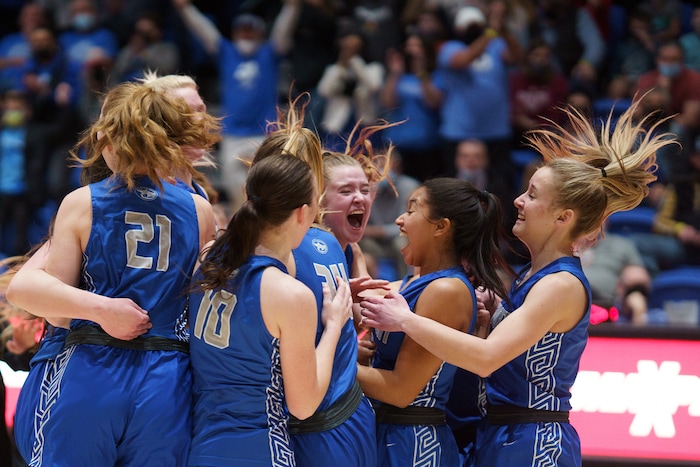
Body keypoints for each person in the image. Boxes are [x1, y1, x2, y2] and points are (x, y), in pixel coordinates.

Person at [360, 99, 672, 466]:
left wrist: (405, 320)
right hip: (500, 433)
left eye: (533, 195)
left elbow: (487, 360)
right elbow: (503, 359)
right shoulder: (529, 276)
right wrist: (486, 323)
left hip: (535, 440)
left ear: (562, 217)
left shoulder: (561, 284)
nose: (519, 201)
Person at [5, 81, 220, 466]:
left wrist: (104, 310)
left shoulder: (83, 202)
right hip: (167, 376)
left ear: (111, 138)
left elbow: (52, 311)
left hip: (93, 365)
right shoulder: (201, 210)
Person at [188, 154, 353, 466]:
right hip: (260, 447)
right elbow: (303, 406)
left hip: (202, 446)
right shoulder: (290, 295)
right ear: (304, 213)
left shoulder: (208, 264)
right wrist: (333, 327)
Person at [356, 177, 512, 467]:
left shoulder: (446, 290)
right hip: (384, 433)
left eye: (412, 210)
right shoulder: (412, 283)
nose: (400, 220)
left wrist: (328, 364)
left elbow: (400, 391)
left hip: (412, 443)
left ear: (441, 227)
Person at [171, 0, 291, 211]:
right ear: (234, 34)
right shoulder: (228, 54)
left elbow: (283, 31)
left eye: (250, 31)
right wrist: (185, 8)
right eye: (241, 31)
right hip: (233, 135)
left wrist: (293, 7)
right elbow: (205, 32)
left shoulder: (268, 54)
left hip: (263, 135)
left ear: (260, 34)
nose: (245, 35)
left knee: (267, 195)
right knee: (237, 198)